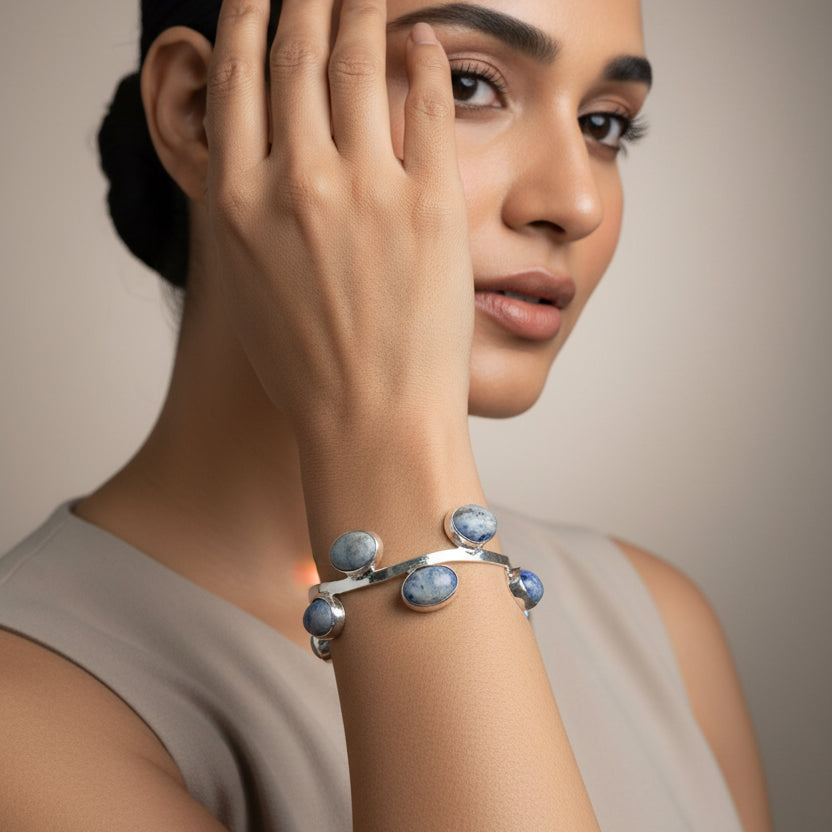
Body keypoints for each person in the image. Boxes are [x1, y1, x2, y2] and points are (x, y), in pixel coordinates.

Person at [0, 0, 773, 829]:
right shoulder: (28, 720)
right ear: (201, 112)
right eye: (469, 85)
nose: (575, 200)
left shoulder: (658, 624)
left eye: (604, 125)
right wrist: (386, 429)